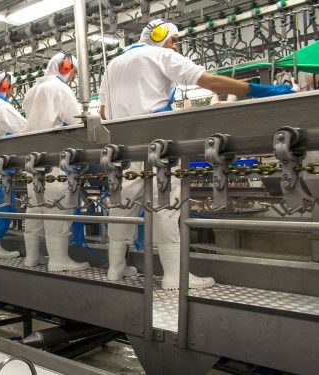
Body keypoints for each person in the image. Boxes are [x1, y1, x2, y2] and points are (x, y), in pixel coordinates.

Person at [98, 19, 294, 289]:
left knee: (122, 207)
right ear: (160, 36)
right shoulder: (162, 55)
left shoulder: (113, 64)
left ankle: (115, 270)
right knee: (166, 208)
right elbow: (212, 82)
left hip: (125, 149)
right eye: (174, 39)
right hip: (159, 146)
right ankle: (174, 277)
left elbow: (103, 114)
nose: (175, 45)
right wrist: (260, 90)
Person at [21, 52, 89, 272]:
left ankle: (31, 257)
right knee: (57, 208)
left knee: (35, 209)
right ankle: (58, 260)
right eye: (74, 73)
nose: (72, 78)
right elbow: (76, 121)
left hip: (33, 161)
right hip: (56, 160)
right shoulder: (60, 89)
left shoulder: (32, 91)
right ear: (65, 67)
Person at [0, 72, 29, 258]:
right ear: (4, 86)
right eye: (13, 87)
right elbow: (25, 128)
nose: (13, 91)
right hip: (0, 164)